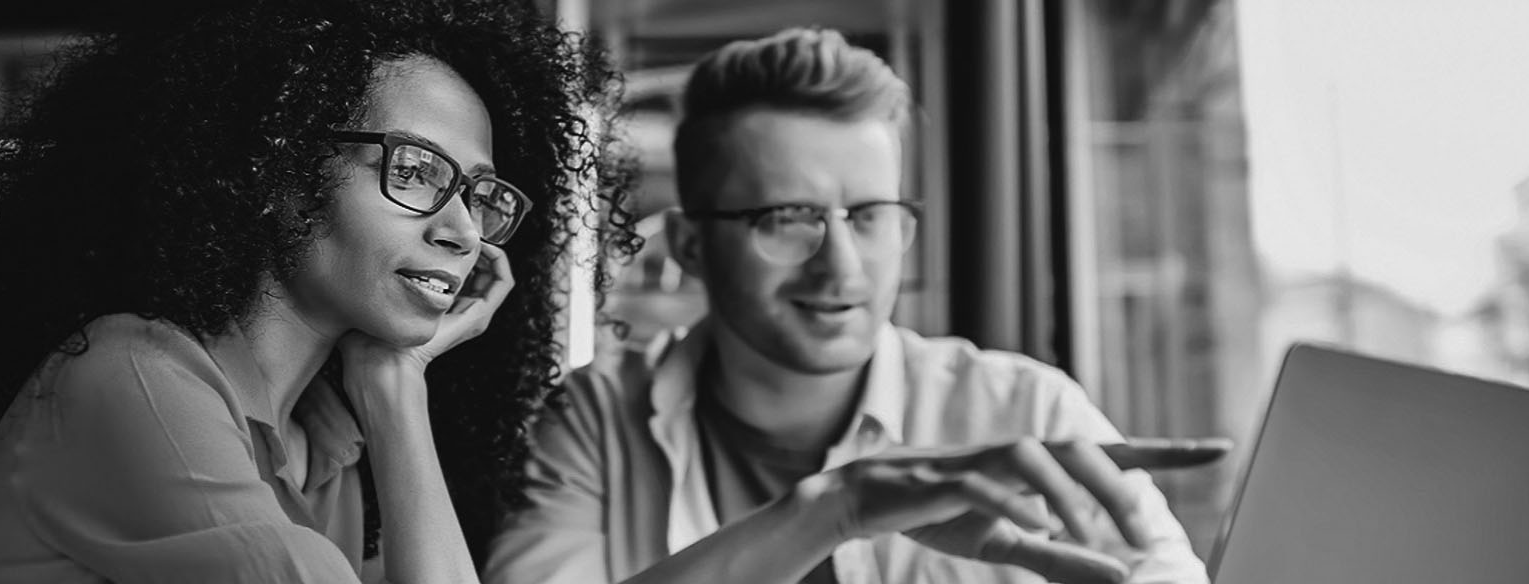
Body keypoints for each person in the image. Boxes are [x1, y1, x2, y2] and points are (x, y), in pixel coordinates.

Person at [0, 1, 634, 582]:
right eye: (416, 170)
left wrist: (395, 388)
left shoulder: (327, 447)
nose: (462, 231)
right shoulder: (131, 375)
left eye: (480, 195)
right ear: (277, 173)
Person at [486, 28, 1209, 584]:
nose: (841, 263)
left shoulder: (1026, 411)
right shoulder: (595, 419)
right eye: (787, 217)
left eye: (869, 215)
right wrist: (831, 512)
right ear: (689, 245)